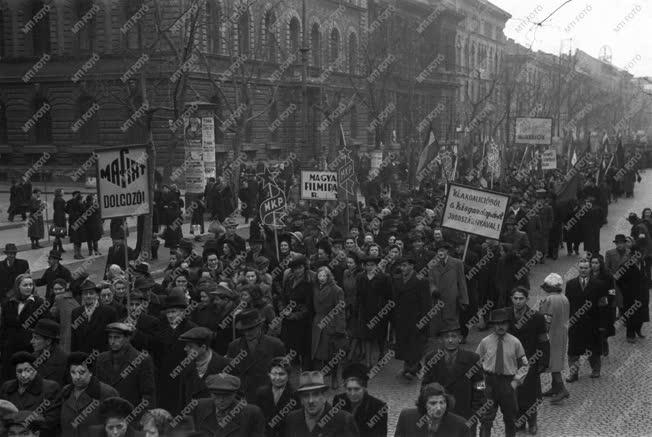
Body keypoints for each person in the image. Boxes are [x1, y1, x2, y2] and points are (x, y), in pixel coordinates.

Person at [420, 323, 485, 433]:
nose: (450, 340)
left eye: (454, 336)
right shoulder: (431, 358)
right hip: (439, 411)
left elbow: (480, 384)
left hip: (465, 412)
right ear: (441, 340)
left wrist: (475, 408)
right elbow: (425, 384)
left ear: (460, 338)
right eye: (446, 337)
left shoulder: (472, 358)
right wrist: (427, 407)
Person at [476, 308, 529, 437]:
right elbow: (475, 364)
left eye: (504, 323)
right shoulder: (485, 342)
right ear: (493, 325)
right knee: (486, 419)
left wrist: (515, 383)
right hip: (489, 382)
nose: (500, 326)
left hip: (507, 383)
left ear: (508, 324)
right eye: (497, 323)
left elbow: (524, 365)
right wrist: (480, 387)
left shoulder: (515, 342)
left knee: (510, 418)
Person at [507, 287, 549, 434]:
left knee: (530, 393)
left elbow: (543, 340)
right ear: (511, 298)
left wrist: (544, 361)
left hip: (530, 360)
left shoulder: (536, 317)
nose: (518, 301)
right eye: (515, 298)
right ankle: (519, 421)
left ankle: (532, 422)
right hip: (510, 362)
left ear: (527, 299)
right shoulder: (505, 315)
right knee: (515, 392)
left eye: (521, 298)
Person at [152, 292, 197, 416]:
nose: (170, 315)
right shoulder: (161, 328)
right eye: (168, 312)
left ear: (183, 312)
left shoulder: (192, 329)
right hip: (165, 377)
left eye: (174, 312)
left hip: (184, 377)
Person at [226, 309, 286, 402]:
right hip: (242, 398)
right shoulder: (234, 346)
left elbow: (283, 375)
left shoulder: (276, 345)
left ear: (260, 326)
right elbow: (230, 375)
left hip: (268, 397)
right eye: (244, 330)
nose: (248, 333)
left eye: (251, 328)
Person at [94, 323, 156, 412]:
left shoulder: (142, 359)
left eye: (117, 337)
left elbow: (148, 394)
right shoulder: (101, 358)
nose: (112, 341)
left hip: (132, 415)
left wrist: (146, 417)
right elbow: (97, 390)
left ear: (127, 338)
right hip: (107, 414)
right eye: (110, 337)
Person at [565, 259, 607, 380]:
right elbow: (568, 304)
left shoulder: (599, 284)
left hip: (593, 323)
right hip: (576, 323)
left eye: (586, 268)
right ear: (578, 269)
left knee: (594, 349)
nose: (583, 270)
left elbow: (603, 305)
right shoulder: (570, 284)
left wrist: (602, 324)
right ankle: (573, 373)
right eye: (581, 268)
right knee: (573, 350)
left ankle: (595, 370)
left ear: (590, 269)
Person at [59, 352, 120, 437]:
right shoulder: (65, 392)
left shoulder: (107, 393)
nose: (77, 377)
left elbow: (116, 427)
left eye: (82, 372)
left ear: (90, 372)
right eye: (73, 372)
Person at [0, 352, 61, 436]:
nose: (23, 375)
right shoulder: (7, 387)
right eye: (19, 371)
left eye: (27, 370)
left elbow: (51, 420)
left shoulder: (50, 388)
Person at [283, 371, 359, 437]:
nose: (310, 401)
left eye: (315, 394)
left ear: (324, 396)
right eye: (306, 395)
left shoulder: (344, 420)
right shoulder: (292, 419)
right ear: (301, 399)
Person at [0, 274, 46, 382]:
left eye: (31, 285)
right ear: (18, 287)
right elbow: (3, 327)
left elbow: (44, 325)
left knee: (27, 378)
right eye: (25, 285)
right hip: (10, 349)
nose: (29, 287)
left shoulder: (39, 303)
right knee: (9, 378)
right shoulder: (8, 303)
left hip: (29, 348)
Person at [393, 255, 432, 379]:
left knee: (415, 344)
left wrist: (424, 321)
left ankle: (413, 368)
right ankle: (408, 366)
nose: (402, 268)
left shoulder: (422, 281)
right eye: (401, 265)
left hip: (416, 318)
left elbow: (426, 304)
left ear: (412, 266)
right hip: (401, 318)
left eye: (405, 265)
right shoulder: (397, 280)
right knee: (404, 344)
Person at [190, 373, 266, 436]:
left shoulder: (252, 413)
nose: (221, 400)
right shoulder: (198, 407)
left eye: (227, 396)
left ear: (235, 394)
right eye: (216, 395)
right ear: (210, 393)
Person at [311, 266, 346, 389]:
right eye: (319, 275)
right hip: (317, 323)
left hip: (331, 323)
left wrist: (340, 329)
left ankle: (335, 378)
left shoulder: (336, 290)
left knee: (333, 353)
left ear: (329, 276)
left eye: (324, 276)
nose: (322, 278)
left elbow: (340, 310)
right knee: (317, 353)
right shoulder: (315, 288)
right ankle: (318, 380)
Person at [537, 273, 570, 404]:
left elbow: (546, 319)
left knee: (552, 362)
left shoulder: (549, 299)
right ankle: (555, 387)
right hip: (561, 333)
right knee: (556, 360)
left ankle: (562, 389)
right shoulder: (564, 298)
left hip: (551, 335)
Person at [177, 326, 230, 406]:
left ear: (203, 347)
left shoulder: (225, 365)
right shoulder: (185, 366)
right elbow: (183, 401)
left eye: (190, 346)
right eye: (186, 345)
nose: (185, 349)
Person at [356, 254, 392, 368]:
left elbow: (389, 295)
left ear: (377, 266)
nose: (370, 267)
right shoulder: (360, 277)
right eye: (367, 265)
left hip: (380, 311)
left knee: (380, 335)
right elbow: (358, 295)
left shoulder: (384, 277)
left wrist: (386, 310)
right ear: (364, 266)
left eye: (372, 265)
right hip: (365, 310)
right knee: (367, 336)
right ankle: (368, 361)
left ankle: (382, 354)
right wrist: (358, 309)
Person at [395, 382, 469, 437]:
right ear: (424, 404)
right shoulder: (406, 417)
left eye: (442, 402)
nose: (439, 408)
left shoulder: (460, 425)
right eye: (433, 403)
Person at [333, 363, 388, 437]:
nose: (352, 393)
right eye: (349, 389)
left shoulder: (378, 407)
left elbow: (379, 434)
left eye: (356, 389)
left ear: (364, 388)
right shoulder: (339, 400)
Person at [428, 241, 469, 338]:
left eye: (442, 250)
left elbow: (462, 282)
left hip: (452, 298)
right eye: (438, 251)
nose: (440, 253)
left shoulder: (457, 263)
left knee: (452, 321)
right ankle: (440, 343)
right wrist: (433, 290)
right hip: (438, 299)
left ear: (447, 251)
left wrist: (464, 300)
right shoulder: (432, 264)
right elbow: (431, 281)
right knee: (438, 322)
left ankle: (452, 341)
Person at [280, 255, 315, 368]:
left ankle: (306, 370)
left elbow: (308, 306)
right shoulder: (289, 280)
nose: (298, 270)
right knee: (290, 345)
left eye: (300, 268)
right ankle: (293, 365)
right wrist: (283, 310)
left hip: (303, 322)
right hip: (289, 320)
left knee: (305, 348)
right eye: (295, 268)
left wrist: (295, 315)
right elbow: (282, 298)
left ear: (305, 268)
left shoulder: (309, 283)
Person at [254, 357, 301, 437]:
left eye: (281, 374)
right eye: (274, 374)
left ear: (288, 375)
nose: (277, 378)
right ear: (269, 374)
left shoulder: (295, 395)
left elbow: (297, 423)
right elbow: (257, 420)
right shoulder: (261, 393)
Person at [70, 280, 118, 354]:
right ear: (82, 296)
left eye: (91, 293)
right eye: (85, 294)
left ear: (97, 295)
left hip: (103, 356)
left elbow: (114, 336)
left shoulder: (109, 312)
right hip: (82, 356)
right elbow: (74, 338)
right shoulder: (76, 312)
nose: (88, 296)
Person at [30, 319, 69, 386]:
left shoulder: (64, 360)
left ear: (48, 341)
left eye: (36, 338)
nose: (31, 341)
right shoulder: (32, 357)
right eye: (32, 337)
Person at [49, 278, 80, 354]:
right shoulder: (72, 298)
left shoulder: (59, 298)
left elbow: (52, 314)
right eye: (55, 289)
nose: (58, 291)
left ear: (65, 288)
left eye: (60, 289)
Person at [605, 234, 629, 315]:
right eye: (618, 243)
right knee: (612, 301)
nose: (620, 245)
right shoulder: (609, 253)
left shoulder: (630, 253)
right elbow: (606, 268)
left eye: (621, 243)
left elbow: (633, 269)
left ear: (625, 243)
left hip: (625, 282)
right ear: (615, 244)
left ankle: (623, 316)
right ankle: (612, 318)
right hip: (612, 282)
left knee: (624, 301)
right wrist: (613, 275)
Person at [65, 191, 86, 259]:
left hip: (73, 223)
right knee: (78, 239)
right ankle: (78, 254)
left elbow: (66, 210)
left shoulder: (71, 203)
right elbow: (84, 211)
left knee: (76, 239)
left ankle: (77, 253)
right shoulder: (80, 204)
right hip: (79, 223)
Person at [52, 188, 67, 253]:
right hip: (60, 218)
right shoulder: (60, 200)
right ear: (60, 193)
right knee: (58, 234)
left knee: (57, 234)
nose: (63, 192)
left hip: (57, 217)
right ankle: (55, 248)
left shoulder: (56, 199)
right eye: (62, 192)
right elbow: (61, 210)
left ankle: (59, 247)